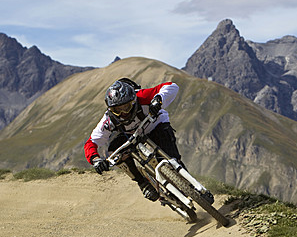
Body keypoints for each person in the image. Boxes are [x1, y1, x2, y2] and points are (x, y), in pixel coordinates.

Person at [84, 78, 213, 204]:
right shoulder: (108, 120)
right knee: (114, 152)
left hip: (155, 124)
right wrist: (96, 160)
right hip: (129, 136)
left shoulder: (142, 96)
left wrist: (159, 99)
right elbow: (91, 143)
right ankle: (142, 183)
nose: (123, 113)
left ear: (134, 101)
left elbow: (172, 86)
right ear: (110, 109)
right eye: (117, 110)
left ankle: (195, 188)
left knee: (171, 157)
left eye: (127, 107)